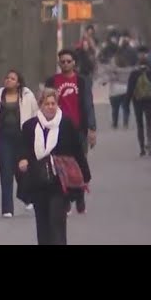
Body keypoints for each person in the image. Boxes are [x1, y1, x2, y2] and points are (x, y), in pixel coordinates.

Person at [17, 88, 91, 245]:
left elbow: (77, 151)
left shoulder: (66, 124)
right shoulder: (30, 126)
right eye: (47, 103)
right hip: (38, 181)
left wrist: (85, 175)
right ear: (40, 105)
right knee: (42, 224)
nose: (50, 107)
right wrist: (22, 159)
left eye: (53, 103)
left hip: (59, 182)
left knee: (57, 221)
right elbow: (23, 148)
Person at [45, 49, 96, 214]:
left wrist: (92, 128)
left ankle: (80, 197)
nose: (65, 64)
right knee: (61, 165)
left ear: (74, 63)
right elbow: (45, 103)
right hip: (58, 129)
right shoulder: (52, 81)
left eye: (68, 61)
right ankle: (65, 200)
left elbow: (88, 105)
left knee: (79, 164)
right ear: (59, 63)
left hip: (78, 129)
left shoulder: (81, 81)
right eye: (63, 61)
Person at [0, 69, 38, 217]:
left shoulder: (28, 97)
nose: (8, 80)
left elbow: (35, 116)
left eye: (12, 78)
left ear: (19, 82)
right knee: (5, 173)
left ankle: (27, 196)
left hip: (22, 139)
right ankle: (7, 209)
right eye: (7, 77)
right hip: (4, 140)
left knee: (22, 171)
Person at [125, 50, 151, 157]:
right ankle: (149, 143)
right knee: (149, 124)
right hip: (149, 101)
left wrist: (126, 104)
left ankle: (142, 148)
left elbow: (130, 90)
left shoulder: (134, 74)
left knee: (140, 124)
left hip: (137, 102)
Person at [102, 48, 134, 129]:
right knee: (126, 107)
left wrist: (104, 82)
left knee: (115, 108)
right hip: (126, 90)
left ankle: (115, 123)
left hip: (115, 91)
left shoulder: (113, 69)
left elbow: (107, 78)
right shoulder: (128, 69)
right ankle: (125, 122)